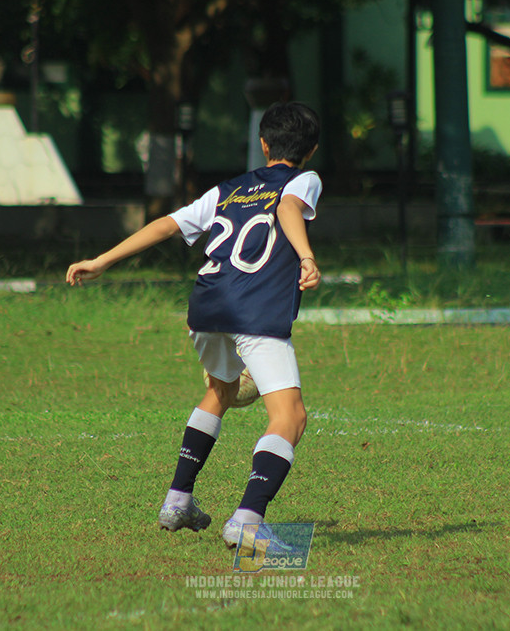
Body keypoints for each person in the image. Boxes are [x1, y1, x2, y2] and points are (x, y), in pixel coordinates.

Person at [66, 101, 323, 549]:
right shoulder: (304, 179)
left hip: (206, 307)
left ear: (263, 144)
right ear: (312, 150)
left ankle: (178, 500)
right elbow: (287, 209)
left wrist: (102, 260)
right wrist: (307, 257)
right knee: (290, 417)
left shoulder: (228, 189)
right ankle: (247, 519)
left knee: (220, 390)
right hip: (255, 312)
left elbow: (167, 225)